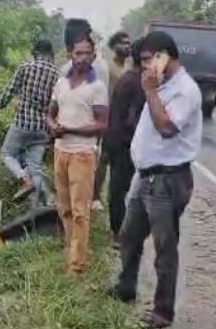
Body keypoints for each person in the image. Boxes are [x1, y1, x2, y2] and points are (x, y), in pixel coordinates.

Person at [110, 30, 203, 329]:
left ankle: (163, 311)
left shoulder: (184, 90)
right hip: (147, 175)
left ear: (165, 56)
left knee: (165, 246)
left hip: (167, 179)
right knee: (129, 234)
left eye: (150, 59)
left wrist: (150, 91)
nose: (145, 66)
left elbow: (166, 128)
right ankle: (126, 287)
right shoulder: (163, 84)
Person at [46, 29, 109, 275]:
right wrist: (53, 126)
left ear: (93, 56)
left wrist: (70, 129)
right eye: (77, 53)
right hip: (60, 151)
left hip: (83, 153)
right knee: (65, 208)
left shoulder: (98, 87)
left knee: (81, 211)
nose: (82, 58)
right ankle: (75, 253)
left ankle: (77, 266)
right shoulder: (61, 83)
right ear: (69, 54)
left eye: (86, 53)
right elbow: (50, 112)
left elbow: (102, 124)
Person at [0, 38, 61, 205]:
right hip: (43, 129)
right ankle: (48, 202)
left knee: (7, 154)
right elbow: (59, 104)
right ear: (50, 54)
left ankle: (23, 179)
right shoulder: (57, 75)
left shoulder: (25, 68)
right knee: (34, 167)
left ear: (35, 52)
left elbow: (8, 92)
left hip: (22, 124)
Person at [102, 37, 145, 241]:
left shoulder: (128, 78)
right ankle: (119, 232)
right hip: (124, 144)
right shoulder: (137, 82)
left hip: (114, 139)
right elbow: (132, 120)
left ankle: (118, 230)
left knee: (118, 189)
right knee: (120, 190)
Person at [92, 31, 134, 211]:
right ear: (114, 46)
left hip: (126, 118)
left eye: (129, 43)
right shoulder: (107, 67)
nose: (127, 46)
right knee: (104, 157)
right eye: (123, 43)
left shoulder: (131, 66)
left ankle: (115, 196)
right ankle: (95, 196)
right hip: (109, 115)